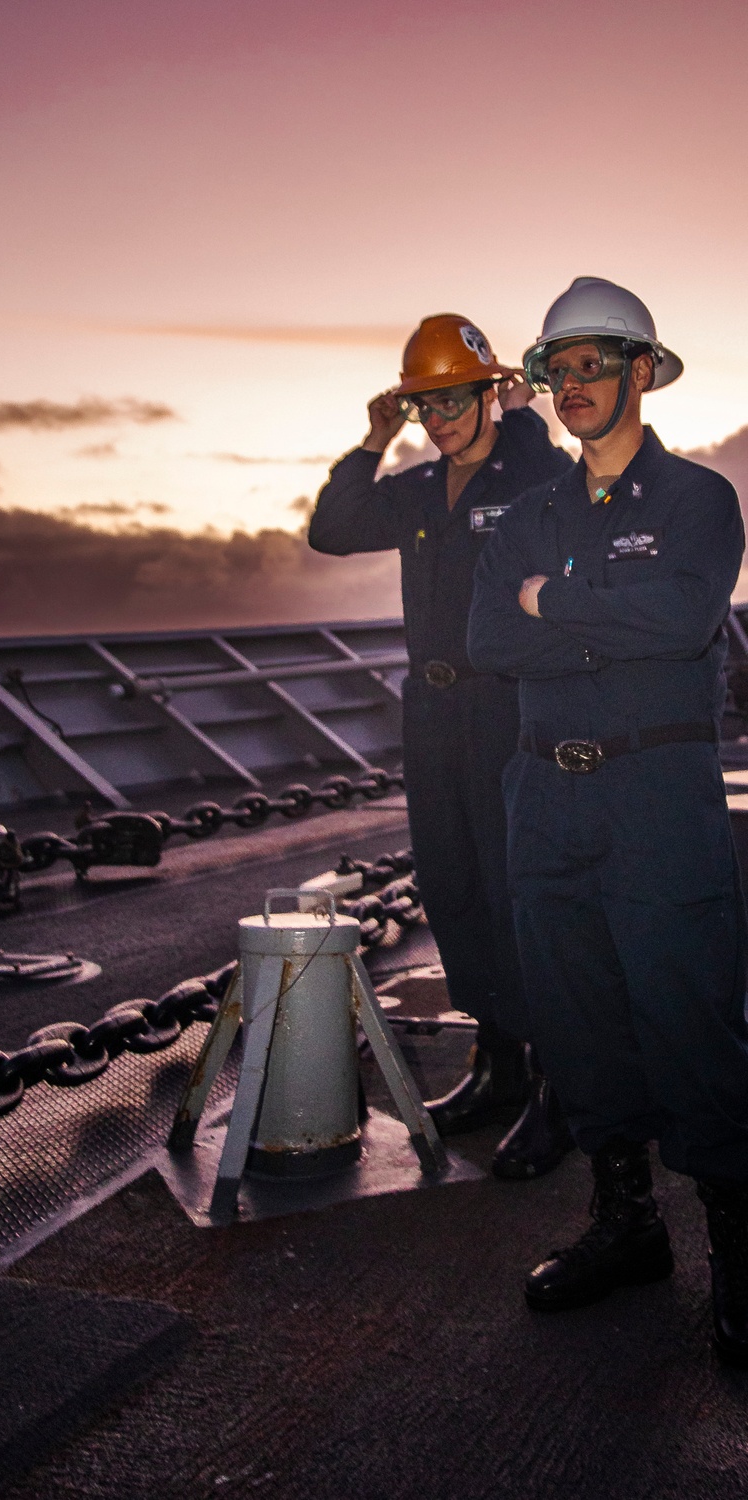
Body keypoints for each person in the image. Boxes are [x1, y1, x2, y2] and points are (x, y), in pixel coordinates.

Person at [468, 276, 748, 1367]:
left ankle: (734, 1250)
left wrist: (555, 605)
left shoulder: (696, 500)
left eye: (593, 364)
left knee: (689, 1015)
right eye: (556, 369)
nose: (571, 385)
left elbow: (682, 622)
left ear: (640, 370)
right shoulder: (528, 512)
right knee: (578, 1015)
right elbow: (491, 638)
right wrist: (587, 622)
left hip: (654, 795)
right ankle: (626, 1227)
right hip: (543, 795)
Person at [309, 313, 574, 1179]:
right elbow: (334, 526)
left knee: (520, 891)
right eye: (425, 403)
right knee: (454, 885)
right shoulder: (419, 490)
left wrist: (525, 413)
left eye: (457, 396)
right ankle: (497, 1063)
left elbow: (560, 481)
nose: (442, 416)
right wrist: (371, 441)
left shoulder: (530, 469)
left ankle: (559, 1087)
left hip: (508, 707)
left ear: (489, 391)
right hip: (432, 712)